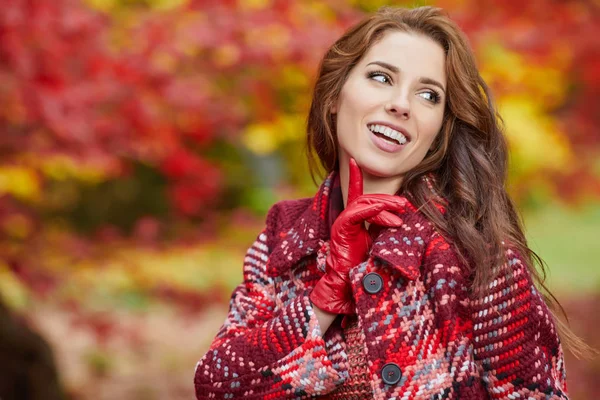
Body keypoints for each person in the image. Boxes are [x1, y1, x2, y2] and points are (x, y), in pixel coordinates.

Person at [194, 6, 576, 399]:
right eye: (381, 77)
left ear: (438, 130)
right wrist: (325, 297)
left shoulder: (479, 259)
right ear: (334, 97)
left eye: (428, 95)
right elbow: (216, 388)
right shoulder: (283, 239)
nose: (402, 104)